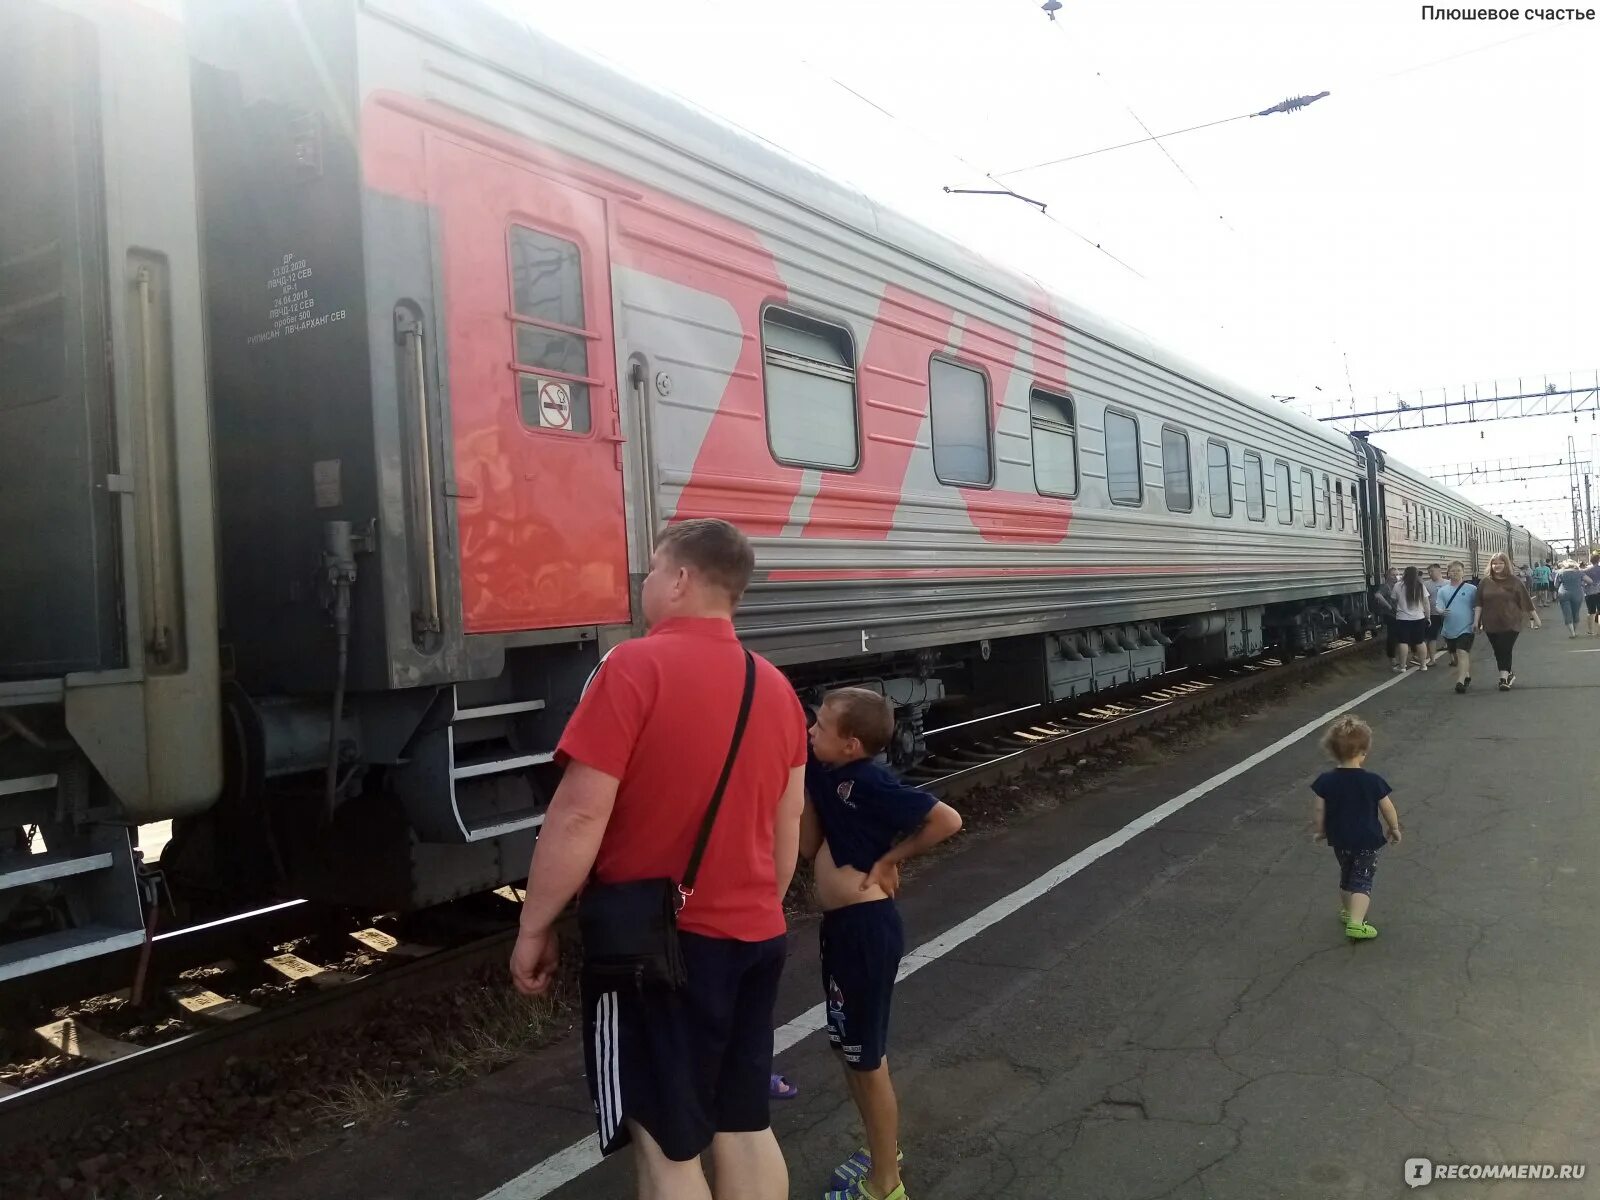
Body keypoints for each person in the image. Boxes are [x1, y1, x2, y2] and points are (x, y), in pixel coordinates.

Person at [509, 518, 807, 1200]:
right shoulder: (774, 685)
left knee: (666, 1142)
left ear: (680, 579)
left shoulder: (633, 666)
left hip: (662, 952)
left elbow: (580, 812)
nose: (644, 581)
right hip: (756, 936)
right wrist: (760, 904)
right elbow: (786, 821)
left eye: (650, 569)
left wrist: (534, 925)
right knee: (743, 1121)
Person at [803, 688, 964, 1200]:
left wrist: (893, 858)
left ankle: (886, 1185)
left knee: (868, 1062)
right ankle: (880, 1154)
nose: (811, 732)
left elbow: (947, 819)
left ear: (851, 744)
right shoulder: (827, 771)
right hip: (843, 930)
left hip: (867, 932)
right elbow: (809, 842)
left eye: (821, 726)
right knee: (852, 1053)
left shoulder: (871, 780)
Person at [1311, 715, 1401, 941]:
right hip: (1367, 840)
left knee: (1347, 876)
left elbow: (1320, 810)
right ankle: (1356, 923)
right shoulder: (1372, 781)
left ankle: (1349, 912)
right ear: (1364, 752)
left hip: (1340, 839)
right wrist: (1394, 828)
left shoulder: (1325, 780)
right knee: (1363, 880)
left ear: (1332, 751)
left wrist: (1321, 831)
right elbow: (1387, 808)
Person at [1474, 550, 1541, 691]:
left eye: (1500, 563)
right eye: (1494, 563)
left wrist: (1535, 618)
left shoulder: (1515, 581)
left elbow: (1526, 601)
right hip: (1491, 622)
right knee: (1498, 651)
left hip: (1511, 621)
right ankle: (1508, 674)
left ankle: (1503, 679)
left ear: (1506, 564)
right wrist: (1476, 622)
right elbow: (1479, 603)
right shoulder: (1485, 582)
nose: (1497, 566)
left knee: (1505, 649)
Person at [1433, 561, 1477, 693]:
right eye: (1452, 571)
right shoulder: (1443, 590)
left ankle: (1460, 681)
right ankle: (1466, 675)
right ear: (1448, 573)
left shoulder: (1472, 589)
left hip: (1467, 627)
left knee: (1462, 652)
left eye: (1458, 570)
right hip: (1449, 629)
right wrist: (1441, 611)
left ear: (1463, 572)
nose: (1455, 573)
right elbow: (1438, 605)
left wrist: (1477, 622)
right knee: (1455, 655)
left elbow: (1477, 607)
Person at [1391, 566, 1431, 672]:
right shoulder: (1420, 586)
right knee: (1420, 641)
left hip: (1402, 619)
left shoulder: (1398, 585)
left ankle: (1402, 666)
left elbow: (1394, 600)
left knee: (1403, 642)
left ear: (1405, 574)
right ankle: (1423, 666)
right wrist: (1428, 617)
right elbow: (1426, 603)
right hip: (1419, 618)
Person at [1372, 567, 1400, 667]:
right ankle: (1392, 658)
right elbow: (1377, 595)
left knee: (1401, 636)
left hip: (1400, 614)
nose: (1396, 577)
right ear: (1388, 576)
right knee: (1392, 637)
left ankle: (1402, 656)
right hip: (1390, 615)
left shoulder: (1398, 585)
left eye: (1397, 574)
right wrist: (1388, 606)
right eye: (1393, 575)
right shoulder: (1385, 586)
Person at [1555, 558, 1586, 638]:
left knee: (1567, 613)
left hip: (1563, 593)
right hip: (1577, 594)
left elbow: (1555, 585)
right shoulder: (1579, 572)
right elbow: (1589, 581)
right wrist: (1581, 583)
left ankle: (1572, 633)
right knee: (1576, 613)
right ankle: (1575, 631)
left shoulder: (1560, 572)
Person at [1424, 564, 1446, 654]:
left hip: (1446, 613)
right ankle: (1432, 659)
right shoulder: (1426, 584)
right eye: (1429, 572)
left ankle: (1454, 657)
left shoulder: (1447, 583)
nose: (1430, 573)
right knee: (1431, 637)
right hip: (1433, 614)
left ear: (1439, 571)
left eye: (1432, 571)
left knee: (1450, 636)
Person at [1584, 554, 1600, 636]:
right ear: (1598, 560)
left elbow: (1582, 583)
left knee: (1591, 612)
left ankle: (1591, 630)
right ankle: (1599, 631)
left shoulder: (1586, 570)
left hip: (1589, 593)